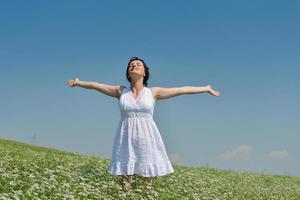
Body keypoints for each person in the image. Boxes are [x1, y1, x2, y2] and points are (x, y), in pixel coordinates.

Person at [67, 56, 221, 190]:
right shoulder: (120, 91)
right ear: (128, 73)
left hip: (147, 137)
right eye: (131, 65)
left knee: (148, 181)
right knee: (125, 179)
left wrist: (206, 88)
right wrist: (78, 83)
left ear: (144, 72)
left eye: (138, 64)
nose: (134, 65)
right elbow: (96, 85)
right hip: (125, 137)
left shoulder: (153, 92)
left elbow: (181, 89)